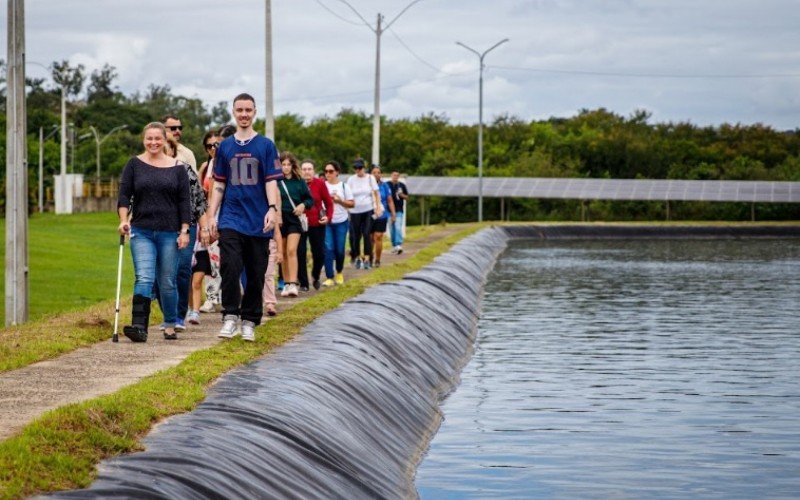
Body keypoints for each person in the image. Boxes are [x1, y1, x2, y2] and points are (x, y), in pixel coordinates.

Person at [204, 93, 283, 342]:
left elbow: (271, 182)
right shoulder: (225, 147)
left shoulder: (266, 146)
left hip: (258, 219)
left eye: (248, 110)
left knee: (256, 272)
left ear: (255, 112)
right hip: (231, 216)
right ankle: (230, 316)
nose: (244, 114)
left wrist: (272, 208)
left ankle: (249, 320)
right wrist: (212, 215)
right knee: (230, 265)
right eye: (240, 110)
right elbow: (218, 184)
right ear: (234, 112)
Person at [117, 122, 191, 342]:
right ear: (143, 140)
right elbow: (124, 196)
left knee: (167, 280)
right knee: (144, 277)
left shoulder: (178, 168)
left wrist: (185, 230)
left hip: (169, 232)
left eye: (157, 138)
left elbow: (184, 202)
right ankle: (139, 326)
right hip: (142, 231)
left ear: (164, 140)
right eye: (149, 139)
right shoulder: (134, 165)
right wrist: (123, 220)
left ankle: (170, 322)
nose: (153, 143)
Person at [277, 152, 313, 297]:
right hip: (280, 219)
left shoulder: (299, 181)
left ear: (292, 166)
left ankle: (293, 283)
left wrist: (303, 205)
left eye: (288, 164)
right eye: (283, 164)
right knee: (283, 253)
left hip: (294, 218)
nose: (285, 167)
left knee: (292, 250)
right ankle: (286, 283)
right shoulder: (276, 181)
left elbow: (310, 200)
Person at [297, 159, 334, 290]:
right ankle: (303, 283)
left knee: (319, 253)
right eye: (304, 169)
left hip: (317, 223)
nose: (307, 172)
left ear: (314, 171)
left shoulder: (320, 184)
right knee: (300, 253)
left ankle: (315, 275)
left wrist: (328, 217)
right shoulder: (297, 183)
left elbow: (329, 203)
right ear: (300, 171)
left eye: (309, 169)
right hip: (299, 223)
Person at [197, 130, 222, 313]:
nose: (213, 148)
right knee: (210, 258)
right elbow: (199, 194)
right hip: (208, 216)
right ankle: (211, 297)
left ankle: (224, 295)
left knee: (225, 259)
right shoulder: (206, 167)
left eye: (217, 144)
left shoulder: (227, 164)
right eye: (209, 146)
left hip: (225, 215)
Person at [322, 160, 354, 286]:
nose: (328, 174)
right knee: (328, 248)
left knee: (340, 249)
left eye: (331, 171)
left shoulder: (344, 186)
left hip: (341, 221)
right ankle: (329, 276)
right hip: (327, 221)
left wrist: (340, 201)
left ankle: (339, 272)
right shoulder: (322, 185)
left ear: (337, 173)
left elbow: (352, 204)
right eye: (326, 171)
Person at [347, 157, 382, 270]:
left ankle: (367, 258)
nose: (358, 170)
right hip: (355, 211)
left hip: (368, 210)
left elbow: (376, 193)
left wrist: (377, 207)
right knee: (356, 235)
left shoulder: (370, 178)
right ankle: (357, 257)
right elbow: (347, 194)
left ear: (364, 168)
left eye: (360, 167)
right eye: (356, 168)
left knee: (367, 233)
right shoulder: (351, 179)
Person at [370, 165, 395, 268]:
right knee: (370, 238)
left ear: (381, 174)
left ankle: (377, 259)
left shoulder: (384, 186)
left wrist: (393, 214)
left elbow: (389, 201)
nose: (376, 174)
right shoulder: (367, 186)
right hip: (369, 215)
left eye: (378, 172)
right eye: (374, 172)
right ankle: (369, 258)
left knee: (378, 236)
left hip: (382, 215)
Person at [262, 230, 283, 317]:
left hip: (270, 244)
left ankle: (270, 302)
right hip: (253, 243)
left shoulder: (273, 216)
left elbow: (277, 233)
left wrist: (280, 252)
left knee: (268, 274)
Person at [388, 169, 409, 254]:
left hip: (399, 210)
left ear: (399, 176)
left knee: (397, 227)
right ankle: (394, 245)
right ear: (391, 175)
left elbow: (407, 197)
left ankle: (398, 244)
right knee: (391, 229)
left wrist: (401, 195)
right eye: (394, 175)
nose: (395, 177)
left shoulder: (402, 185)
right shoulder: (387, 185)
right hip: (388, 210)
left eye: (397, 175)